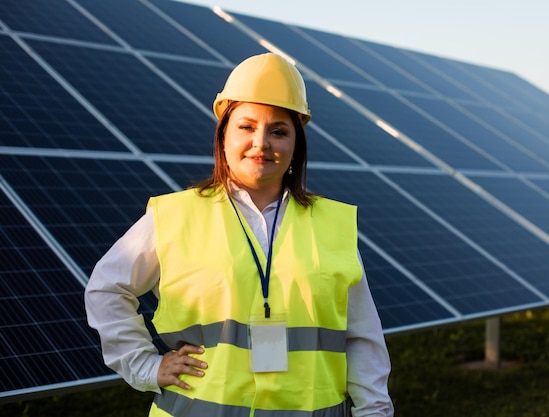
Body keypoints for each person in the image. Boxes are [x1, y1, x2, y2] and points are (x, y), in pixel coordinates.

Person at [85, 52, 394, 417]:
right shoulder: (173, 216)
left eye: (278, 130)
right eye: (246, 127)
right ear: (224, 135)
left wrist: (374, 411)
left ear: (296, 144)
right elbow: (107, 289)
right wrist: (145, 367)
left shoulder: (332, 224)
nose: (261, 143)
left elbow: (362, 337)